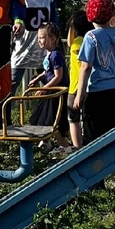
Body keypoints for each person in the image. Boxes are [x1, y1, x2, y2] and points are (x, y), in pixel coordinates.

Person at [74, 0, 115, 185]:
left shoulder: (91, 37)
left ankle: (95, 177)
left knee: (93, 133)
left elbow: (85, 67)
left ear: (90, 17)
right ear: (111, 15)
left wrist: (80, 93)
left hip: (97, 91)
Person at [27, 23, 71, 152]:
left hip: (55, 94)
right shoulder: (48, 53)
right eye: (39, 38)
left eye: (42, 38)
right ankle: (46, 143)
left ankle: (66, 147)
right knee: (44, 119)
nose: (39, 41)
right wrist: (37, 78)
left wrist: (43, 88)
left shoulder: (56, 55)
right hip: (50, 91)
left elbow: (58, 76)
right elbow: (47, 71)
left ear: (52, 38)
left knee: (52, 122)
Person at [66, 10, 92, 150]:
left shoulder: (77, 43)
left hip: (76, 86)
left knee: (73, 119)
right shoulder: (90, 40)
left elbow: (70, 43)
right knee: (88, 118)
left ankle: (77, 147)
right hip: (89, 85)